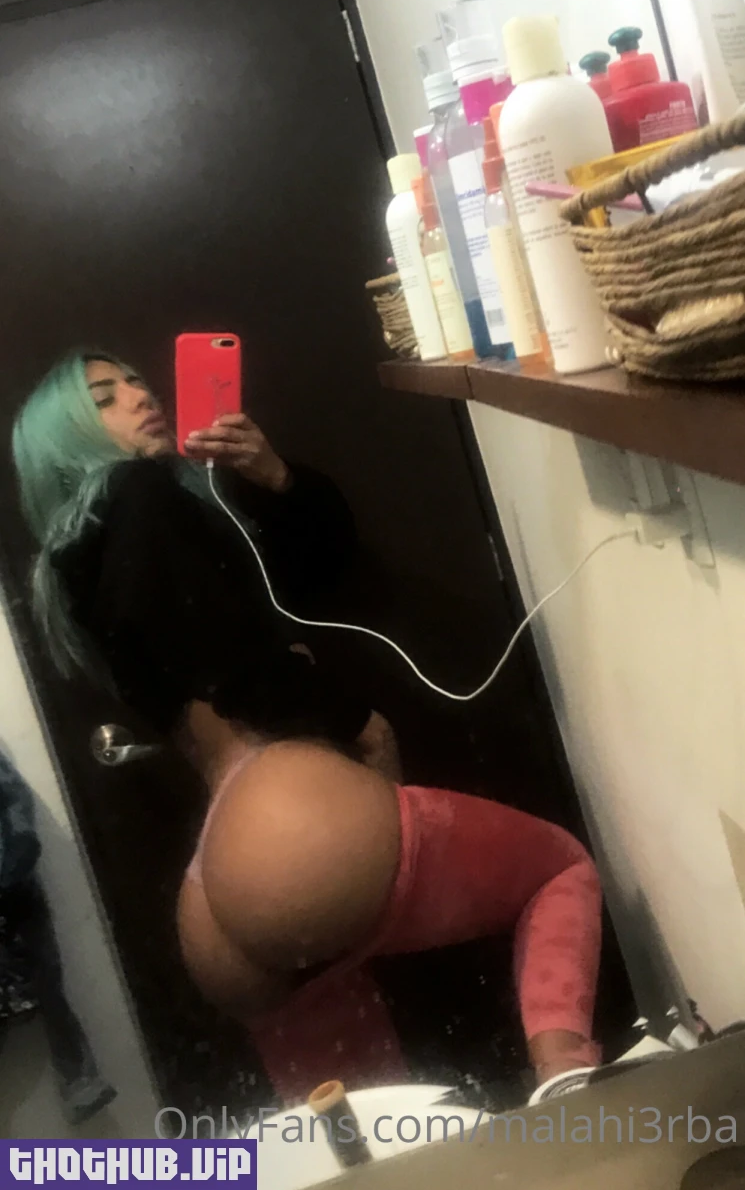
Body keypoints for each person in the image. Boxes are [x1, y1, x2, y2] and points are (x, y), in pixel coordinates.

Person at [12, 349, 604, 1104]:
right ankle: (569, 1089)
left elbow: (310, 572)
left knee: (360, 1122)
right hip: (292, 829)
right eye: (104, 397)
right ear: (64, 439)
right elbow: (228, 662)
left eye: (135, 380)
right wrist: (358, 721)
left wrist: (272, 478)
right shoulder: (140, 494)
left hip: (216, 899)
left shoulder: (78, 566)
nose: (137, 394)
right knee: (558, 870)